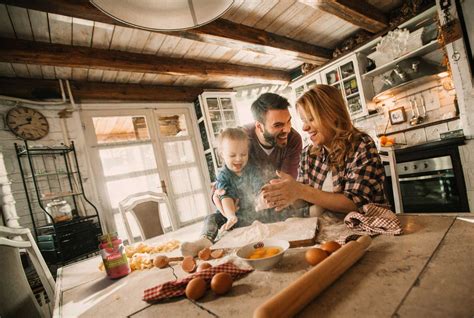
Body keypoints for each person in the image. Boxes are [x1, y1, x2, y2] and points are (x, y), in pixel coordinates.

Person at [261, 85, 387, 214]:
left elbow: (355, 203)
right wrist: (283, 194)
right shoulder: (308, 154)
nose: (304, 128)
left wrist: (300, 190)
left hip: (367, 228)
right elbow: (304, 200)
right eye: (304, 120)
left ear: (333, 115)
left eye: (311, 119)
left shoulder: (361, 146)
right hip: (328, 228)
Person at [180, 127, 265, 257]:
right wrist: (230, 215)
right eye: (232, 155)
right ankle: (205, 240)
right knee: (211, 218)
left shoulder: (252, 170)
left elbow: (259, 187)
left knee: (274, 210)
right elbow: (225, 195)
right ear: (222, 155)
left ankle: (304, 212)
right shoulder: (223, 175)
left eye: (243, 154)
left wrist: (262, 200)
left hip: (251, 215)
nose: (238, 159)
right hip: (228, 218)